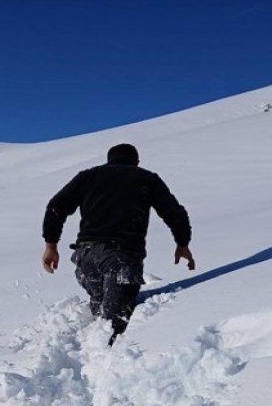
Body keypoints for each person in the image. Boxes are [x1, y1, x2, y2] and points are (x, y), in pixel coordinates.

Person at [41, 143, 194, 344]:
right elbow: (174, 212)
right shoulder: (146, 178)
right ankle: (102, 362)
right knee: (114, 327)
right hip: (121, 258)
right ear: (136, 162)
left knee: (101, 308)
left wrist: (50, 246)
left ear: (109, 160)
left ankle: (90, 355)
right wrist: (182, 243)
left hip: (85, 258)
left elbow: (56, 207)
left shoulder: (87, 176)